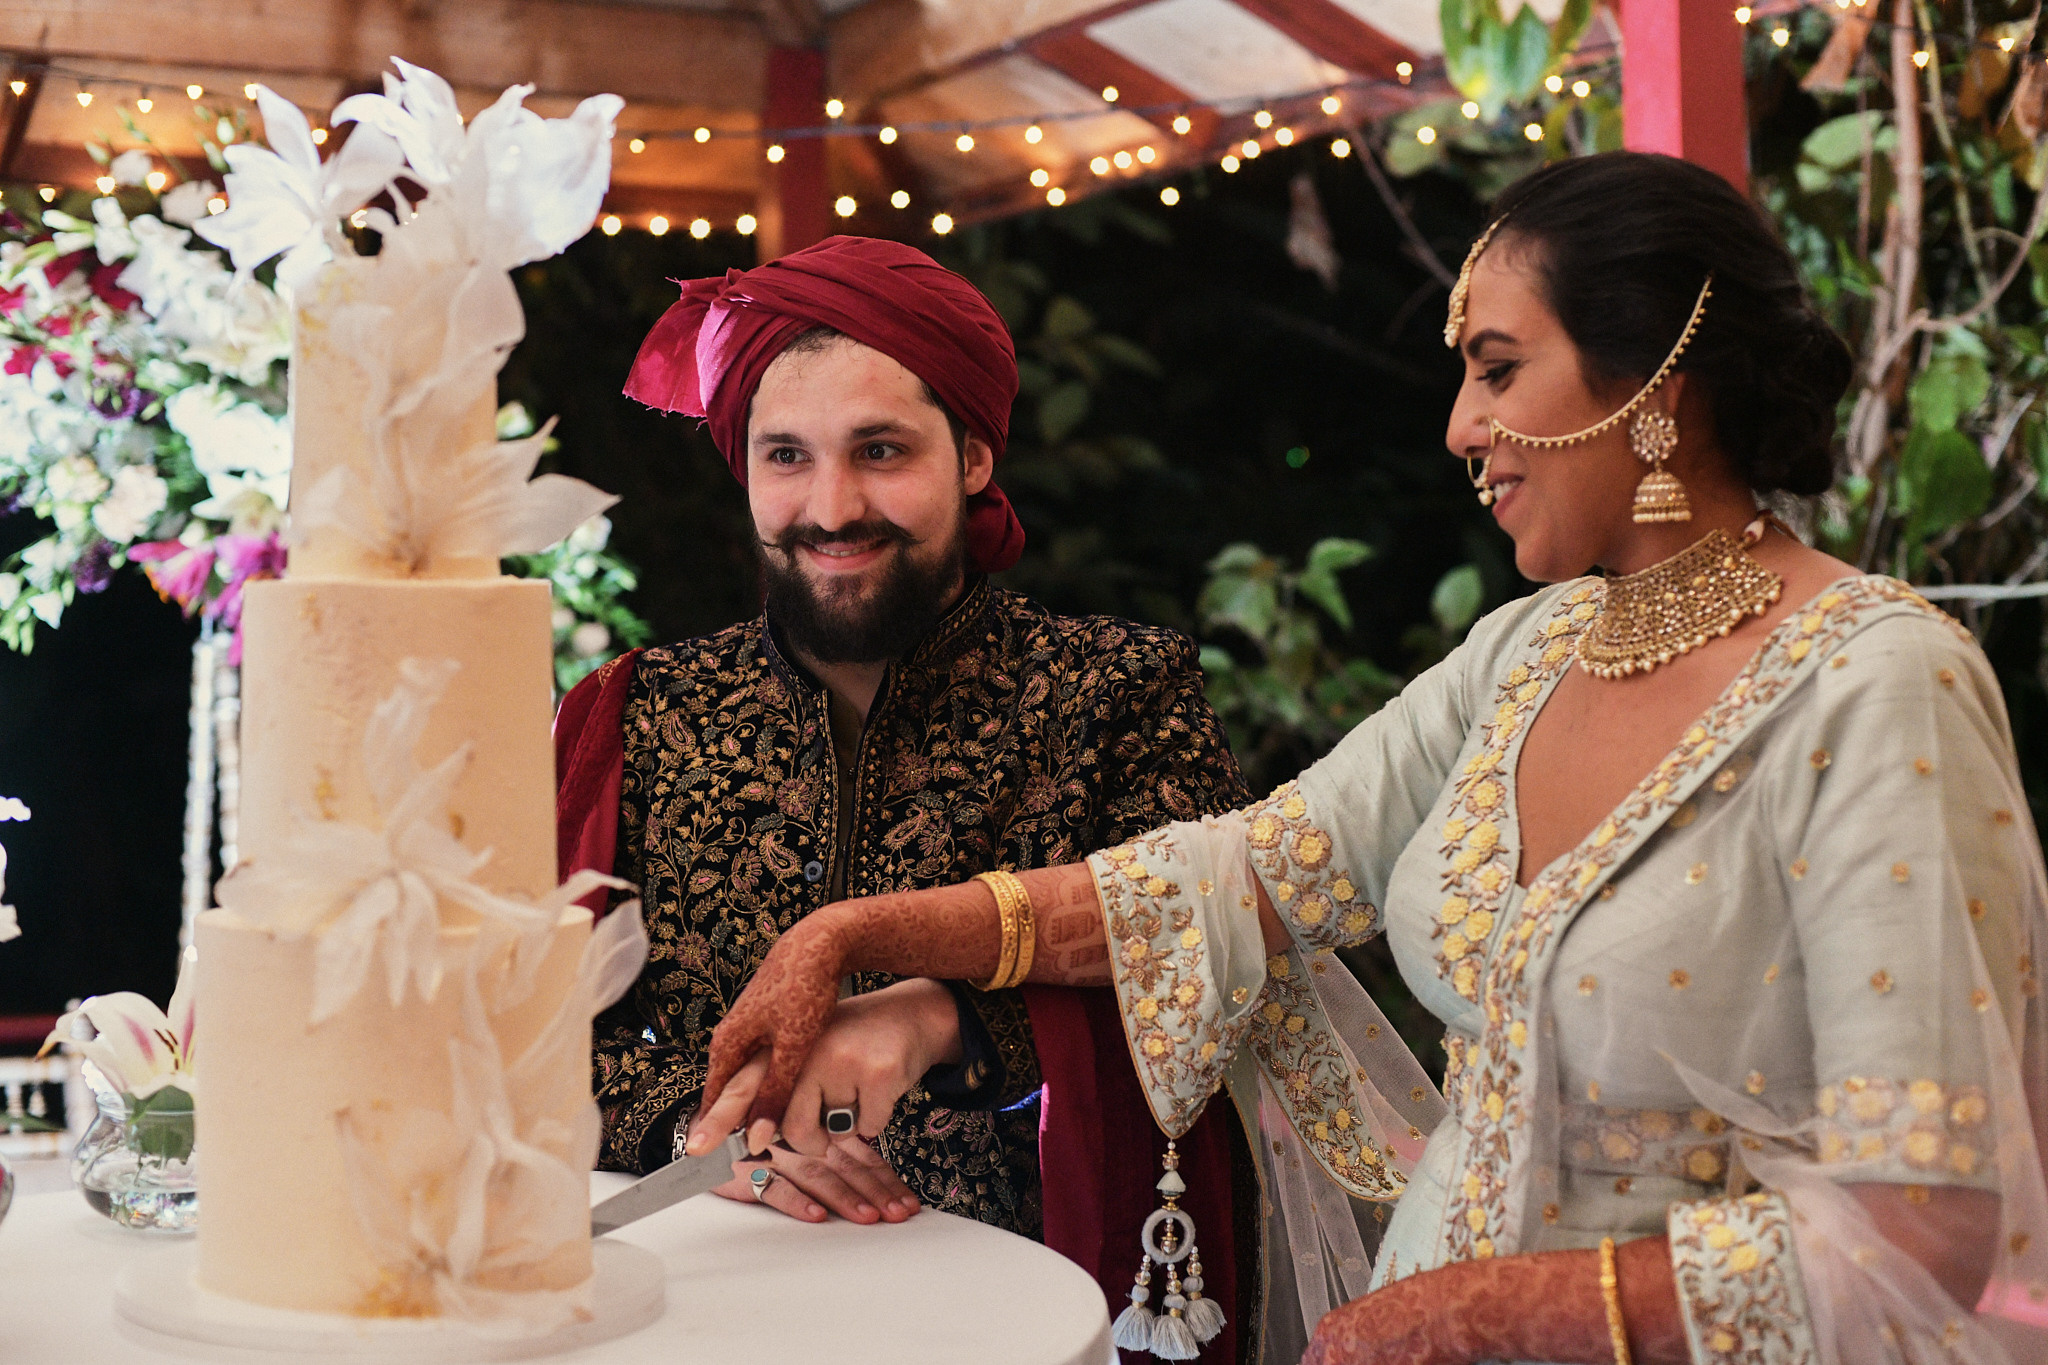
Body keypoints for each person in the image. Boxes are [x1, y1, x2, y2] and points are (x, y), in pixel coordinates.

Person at [686, 153, 2048, 1365]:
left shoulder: (1878, 683)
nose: (1459, 426)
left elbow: (1917, 1229)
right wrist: (856, 932)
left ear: (1655, 392)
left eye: (1499, 369)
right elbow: (1236, 878)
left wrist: (1481, 1314)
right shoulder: (1526, 653)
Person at [553, 235, 1254, 1326]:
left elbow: (1211, 983)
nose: (830, 507)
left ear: (972, 455)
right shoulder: (639, 714)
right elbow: (509, 1037)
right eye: (784, 456)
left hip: (1026, 1308)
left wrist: (955, 1023)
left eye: (879, 450)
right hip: (701, 1297)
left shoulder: (1115, 691)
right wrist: (709, 1137)